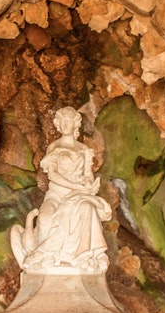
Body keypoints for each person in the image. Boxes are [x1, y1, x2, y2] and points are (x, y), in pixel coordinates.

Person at [10, 107, 113, 275]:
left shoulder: (83, 149)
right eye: (62, 121)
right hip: (57, 195)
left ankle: (82, 257)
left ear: (76, 124)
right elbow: (52, 175)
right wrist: (77, 186)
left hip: (78, 195)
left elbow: (88, 176)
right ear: (57, 124)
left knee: (87, 208)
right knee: (45, 218)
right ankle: (43, 257)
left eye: (69, 121)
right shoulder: (54, 147)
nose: (65, 125)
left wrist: (88, 185)